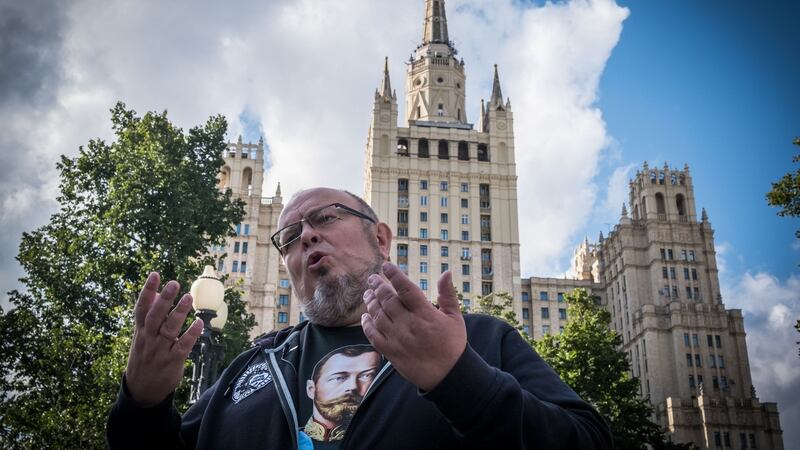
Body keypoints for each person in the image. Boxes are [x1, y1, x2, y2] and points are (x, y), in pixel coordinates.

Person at [107, 187, 613, 449]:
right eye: (289, 237)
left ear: (381, 239)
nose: (305, 236)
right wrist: (143, 402)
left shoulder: (477, 340)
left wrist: (458, 377)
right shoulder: (251, 369)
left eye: (326, 217)